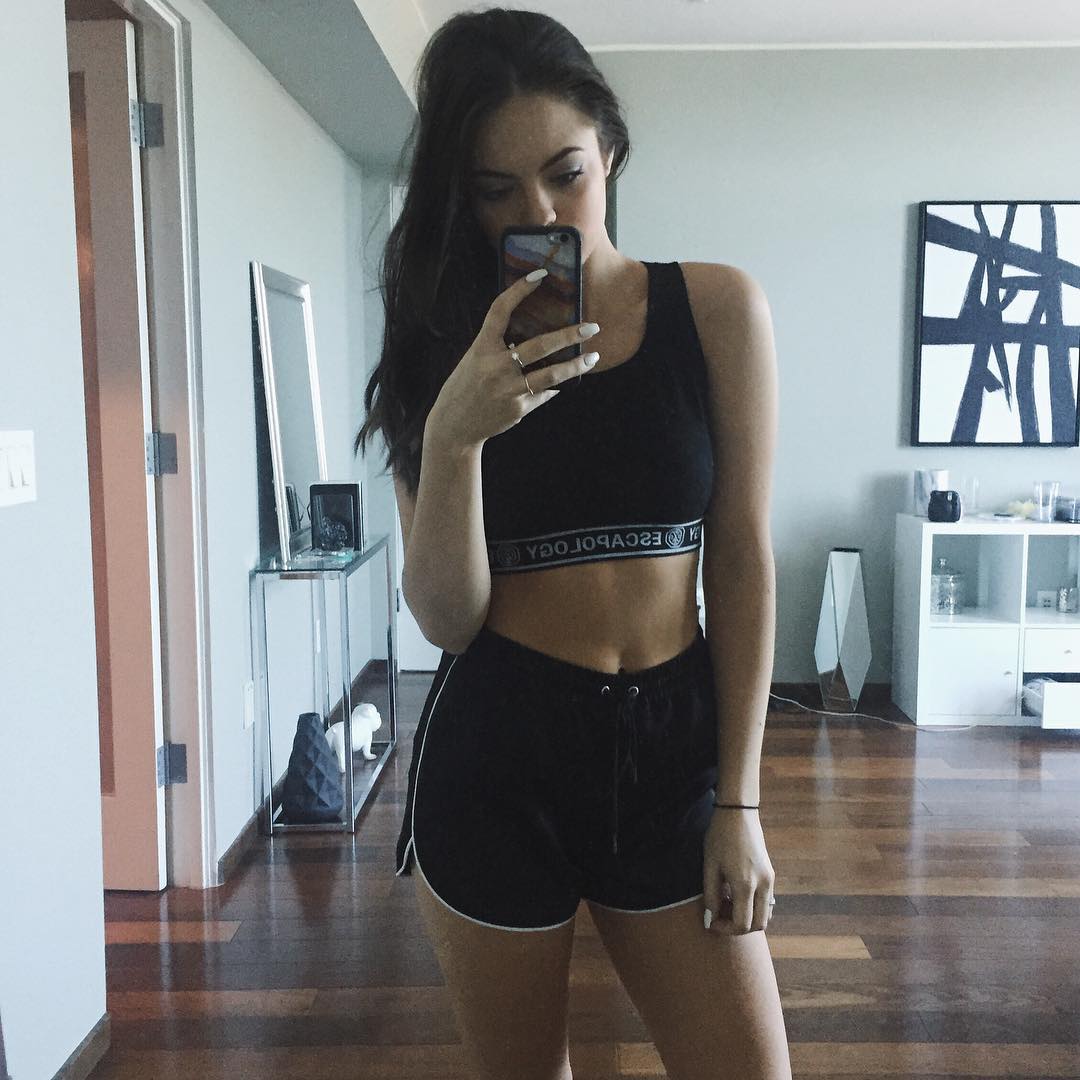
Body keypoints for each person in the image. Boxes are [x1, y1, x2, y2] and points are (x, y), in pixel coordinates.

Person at [353, 8, 790, 1079]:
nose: (540, 213)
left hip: (672, 748)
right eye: (495, 189)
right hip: (497, 752)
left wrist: (740, 800)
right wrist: (454, 434)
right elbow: (447, 619)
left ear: (612, 150)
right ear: (459, 196)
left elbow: (740, 558)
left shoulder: (716, 308)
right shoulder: (439, 349)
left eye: (566, 174)